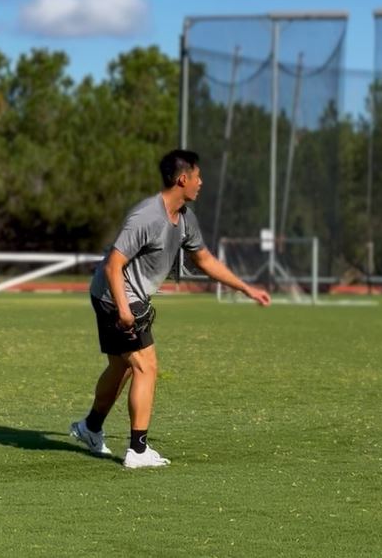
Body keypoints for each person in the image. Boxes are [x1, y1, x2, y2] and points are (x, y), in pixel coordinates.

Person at [70, 149, 271, 468]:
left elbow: (204, 259)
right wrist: (123, 309)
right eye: (198, 176)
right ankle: (137, 450)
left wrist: (246, 288)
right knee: (146, 366)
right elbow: (114, 264)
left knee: (122, 367)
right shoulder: (147, 216)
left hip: (122, 295)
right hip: (115, 294)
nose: (201, 183)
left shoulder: (185, 219)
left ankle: (90, 428)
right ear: (183, 179)